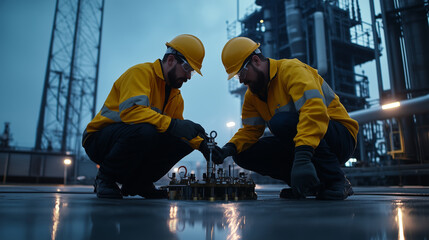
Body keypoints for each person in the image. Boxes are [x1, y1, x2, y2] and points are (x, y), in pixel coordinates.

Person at [216, 37, 359, 200]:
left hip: (339, 137)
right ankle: (307, 185)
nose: (241, 80)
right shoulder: (252, 96)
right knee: (243, 153)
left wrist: (303, 156)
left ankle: (337, 181)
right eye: (236, 77)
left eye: (241, 73)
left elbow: (314, 112)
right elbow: (250, 131)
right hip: (302, 143)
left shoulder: (291, 70)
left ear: (255, 60)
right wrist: (228, 149)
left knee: (280, 122)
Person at [82, 34, 217, 199]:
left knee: (183, 141)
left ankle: (139, 183)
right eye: (188, 69)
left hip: (132, 139)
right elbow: (131, 112)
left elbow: (176, 130)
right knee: (146, 130)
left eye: (192, 72)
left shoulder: (176, 97)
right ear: (171, 60)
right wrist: (174, 125)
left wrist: (202, 144)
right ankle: (105, 179)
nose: (189, 77)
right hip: (99, 140)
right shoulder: (140, 74)